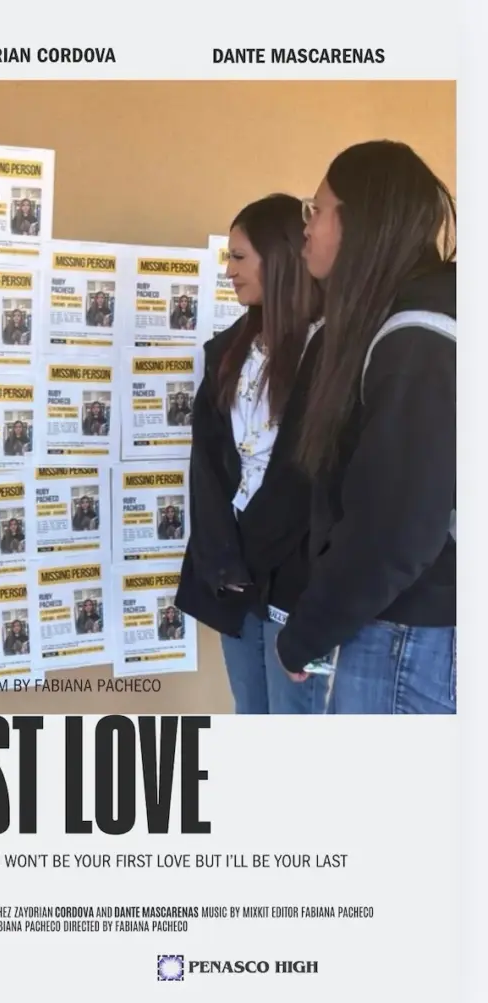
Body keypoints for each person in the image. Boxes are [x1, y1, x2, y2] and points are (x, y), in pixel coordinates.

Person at [274, 141, 456, 715]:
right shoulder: (406, 319)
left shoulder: (419, 334)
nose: (306, 227)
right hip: (407, 626)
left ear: (363, 221)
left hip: (413, 636)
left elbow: (395, 527)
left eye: (317, 210)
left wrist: (307, 630)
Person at [175, 193, 324, 714]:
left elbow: (311, 476)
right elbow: (208, 465)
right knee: (251, 714)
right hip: (233, 573)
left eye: (239, 257)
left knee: (295, 725)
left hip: (295, 576)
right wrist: (221, 557)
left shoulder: (331, 350)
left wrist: (256, 553)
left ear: (280, 258)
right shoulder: (226, 350)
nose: (229, 271)